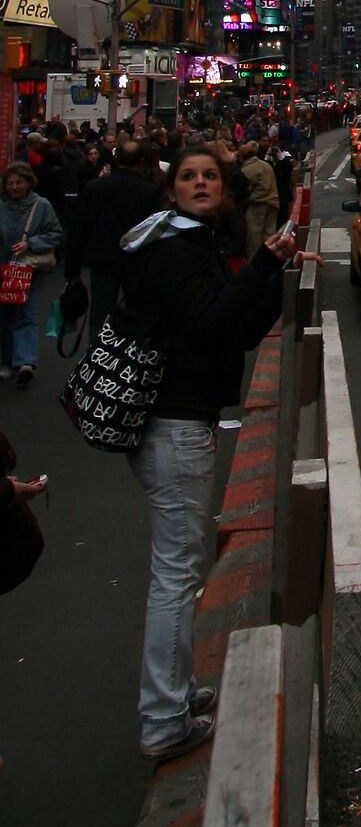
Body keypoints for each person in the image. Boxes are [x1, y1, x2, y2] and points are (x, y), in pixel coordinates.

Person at [119, 147, 295, 761]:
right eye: (188, 176)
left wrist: (278, 280)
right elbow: (206, 326)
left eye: (210, 177)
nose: (199, 183)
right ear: (171, 190)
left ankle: (177, 691)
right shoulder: (171, 252)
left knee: (180, 568)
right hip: (173, 426)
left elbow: (239, 332)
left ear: (225, 190)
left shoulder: (196, 247)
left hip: (187, 421)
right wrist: (264, 264)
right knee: (177, 574)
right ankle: (163, 719)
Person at [61, 138, 167, 343]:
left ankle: (97, 358)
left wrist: (72, 270)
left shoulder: (95, 188)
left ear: (116, 159)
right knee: (136, 313)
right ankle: (130, 357)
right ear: (140, 161)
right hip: (136, 262)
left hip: (103, 259)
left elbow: (79, 228)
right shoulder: (148, 191)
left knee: (100, 316)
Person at [0, 164, 62, 389]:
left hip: (27, 268)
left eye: (19, 182)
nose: (14, 187)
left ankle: (25, 362)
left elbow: (56, 233)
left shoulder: (41, 205)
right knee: (5, 315)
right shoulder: (2, 206)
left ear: (29, 182)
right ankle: (6, 361)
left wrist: (31, 244)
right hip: (3, 268)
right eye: (10, 183)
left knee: (26, 312)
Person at [236, 143, 280, 258]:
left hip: (257, 205)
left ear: (242, 157)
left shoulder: (247, 169)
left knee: (254, 240)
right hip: (273, 202)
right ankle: (270, 263)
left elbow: (243, 189)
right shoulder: (265, 165)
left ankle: (256, 266)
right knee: (269, 237)